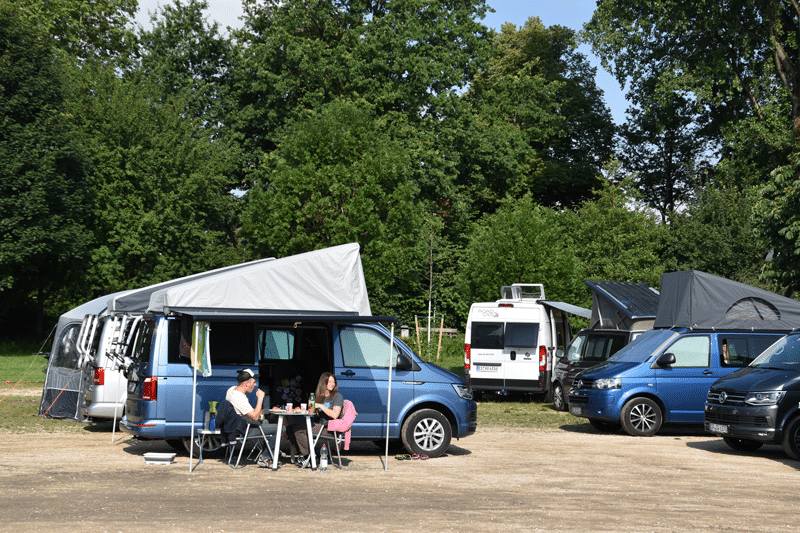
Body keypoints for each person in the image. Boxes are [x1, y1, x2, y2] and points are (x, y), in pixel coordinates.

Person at [226, 368, 282, 467]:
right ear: (246, 383)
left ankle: (270, 451)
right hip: (245, 429)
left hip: (238, 426)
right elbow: (255, 417)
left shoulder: (231, 390)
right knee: (280, 428)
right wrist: (260, 399)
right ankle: (266, 458)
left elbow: (252, 413)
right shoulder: (239, 397)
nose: (255, 385)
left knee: (267, 423)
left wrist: (267, 410)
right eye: (254, 382)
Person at [287, 372, 343, 465]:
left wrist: (321, 406)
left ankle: (309, 458)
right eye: (329, 382)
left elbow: (335, 415)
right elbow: (313, 414)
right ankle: (308, 455)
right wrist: (303, 409)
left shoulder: (337, 396)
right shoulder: (319, 397)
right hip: (319, 425)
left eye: (333, 382)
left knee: (298, 429)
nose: (332, 384)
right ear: (323, 383)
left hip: (330, 428)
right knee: (290, 428)